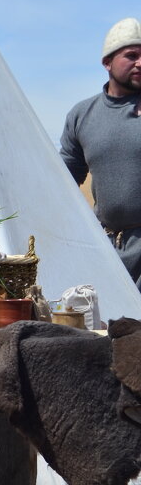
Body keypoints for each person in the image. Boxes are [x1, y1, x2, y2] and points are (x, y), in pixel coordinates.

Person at [60, 17, 141, 287]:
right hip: (106, 252)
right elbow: (62, 181)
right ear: (107, 62)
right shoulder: (82, 115)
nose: (140, 63)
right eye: (131, 56)